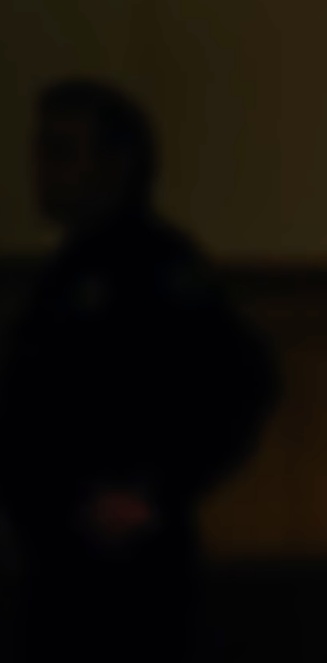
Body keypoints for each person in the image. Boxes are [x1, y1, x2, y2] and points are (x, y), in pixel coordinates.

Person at [0, 78, 280, 662]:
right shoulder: (67, 272)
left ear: (116, 165)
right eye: (41, 149)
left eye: (62, 150)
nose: (41, 169)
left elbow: (241, 382)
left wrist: (154, 489)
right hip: (57, 560)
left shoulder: (157, 269)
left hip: (123, 575)